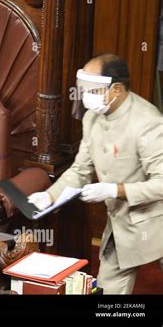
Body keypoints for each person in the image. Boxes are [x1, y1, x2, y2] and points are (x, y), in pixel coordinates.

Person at [28, 54, 163, 294]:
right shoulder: (91, 118)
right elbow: (80, 170)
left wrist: (115, 190)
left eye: (93, 88)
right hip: (124, 223)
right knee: (108, 288)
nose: (85, 95)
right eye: (83, 88)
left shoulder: (148, 122)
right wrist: (49, 197)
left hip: (156, 218)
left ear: (117, 89)